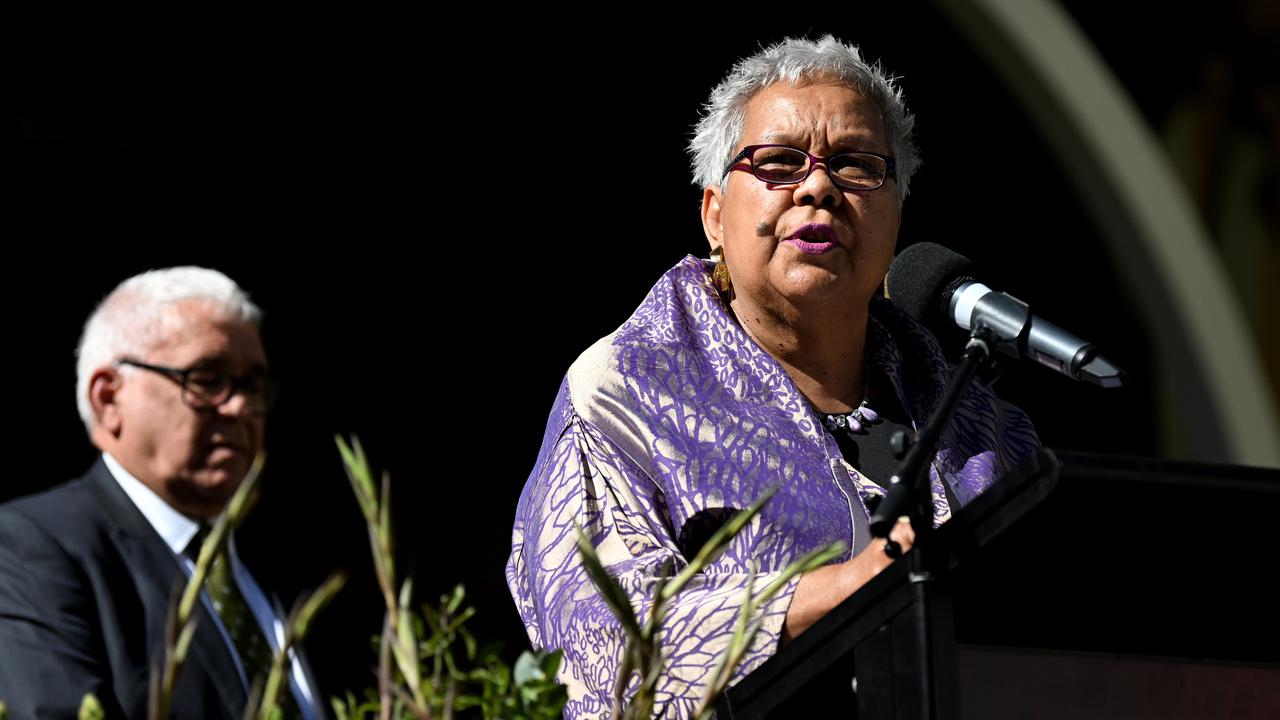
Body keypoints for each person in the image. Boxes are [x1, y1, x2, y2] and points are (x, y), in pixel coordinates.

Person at [505, 35, 1040, 719]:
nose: (818, 186)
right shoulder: (625, 391)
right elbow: (598, 655)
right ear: (715, 215)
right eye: (781, 162)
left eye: (854, 165)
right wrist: (842, 590)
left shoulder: (979, 421)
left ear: (896, 217)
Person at [0, 268, 323, 719]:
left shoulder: (282, 572)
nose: (241, 407)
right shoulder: (32, 549)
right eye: (208, 380)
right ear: (109, 398)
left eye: (253, 385)